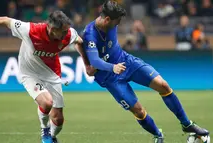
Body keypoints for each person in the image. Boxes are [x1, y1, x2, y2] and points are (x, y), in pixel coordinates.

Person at [82, 1, 209, 143]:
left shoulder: (110, 20)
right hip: (110, 77)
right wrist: (112, 67)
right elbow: (94, 61)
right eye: (117, 22)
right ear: (107, 20)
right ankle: (158, 135)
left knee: (163, 85)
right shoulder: (90, 34)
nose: (118, 24)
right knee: (139, 111)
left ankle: (187, 124)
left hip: (126, 62)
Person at [0, 10, 87, 143]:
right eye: (62, 31)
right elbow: (6, 20)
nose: (65, 34)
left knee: (58, 119)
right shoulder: (30, 30)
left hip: (51, 74)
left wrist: (87, 63)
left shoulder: (68, 34)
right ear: (51, 28)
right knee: (46, 103)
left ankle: (51, 137)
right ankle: (44, 129)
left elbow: (79, 41)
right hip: (30, 73)